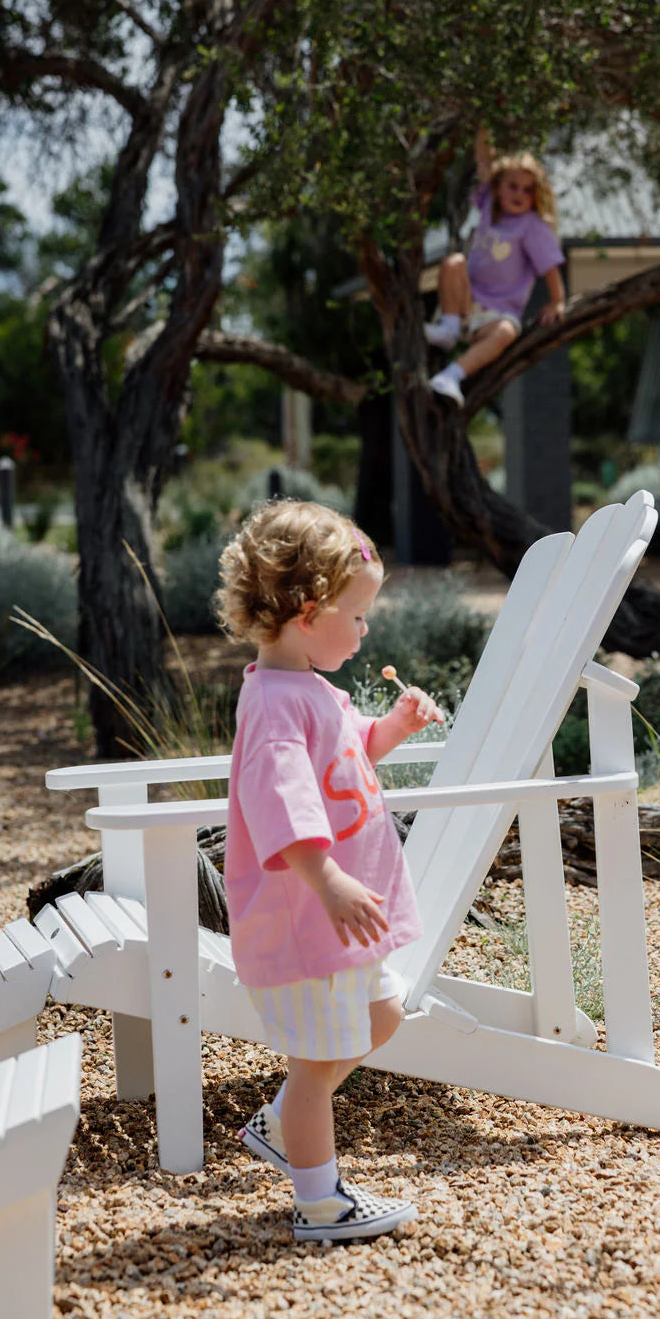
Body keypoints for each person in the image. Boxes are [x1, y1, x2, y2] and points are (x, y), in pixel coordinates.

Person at [215, 500, 444, 1243]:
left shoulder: (313, 692)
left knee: (383, 1016)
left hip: (335, 921)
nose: (365, 627)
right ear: (309, 611)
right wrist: (328, 878)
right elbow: (281, 800)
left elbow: (342, 767)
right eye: (358, 613)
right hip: (308, 919)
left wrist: (394, 729)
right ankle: (318, 1199)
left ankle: (283, 1125)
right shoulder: (274, 704)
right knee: (316, 1063)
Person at [426, 127, 566, 407]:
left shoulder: (532, 227)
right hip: (468, 303)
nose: (519, 194)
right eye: (512, 185)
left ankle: (451, 376)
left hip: (497, 313)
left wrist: (558, 300)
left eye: (527, 190)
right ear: (498, 186)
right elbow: (484, 162)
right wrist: (484, 125)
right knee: (454, 262)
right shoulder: (489, 205)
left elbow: (550, 267)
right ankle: (450, 329)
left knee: (506, 333)